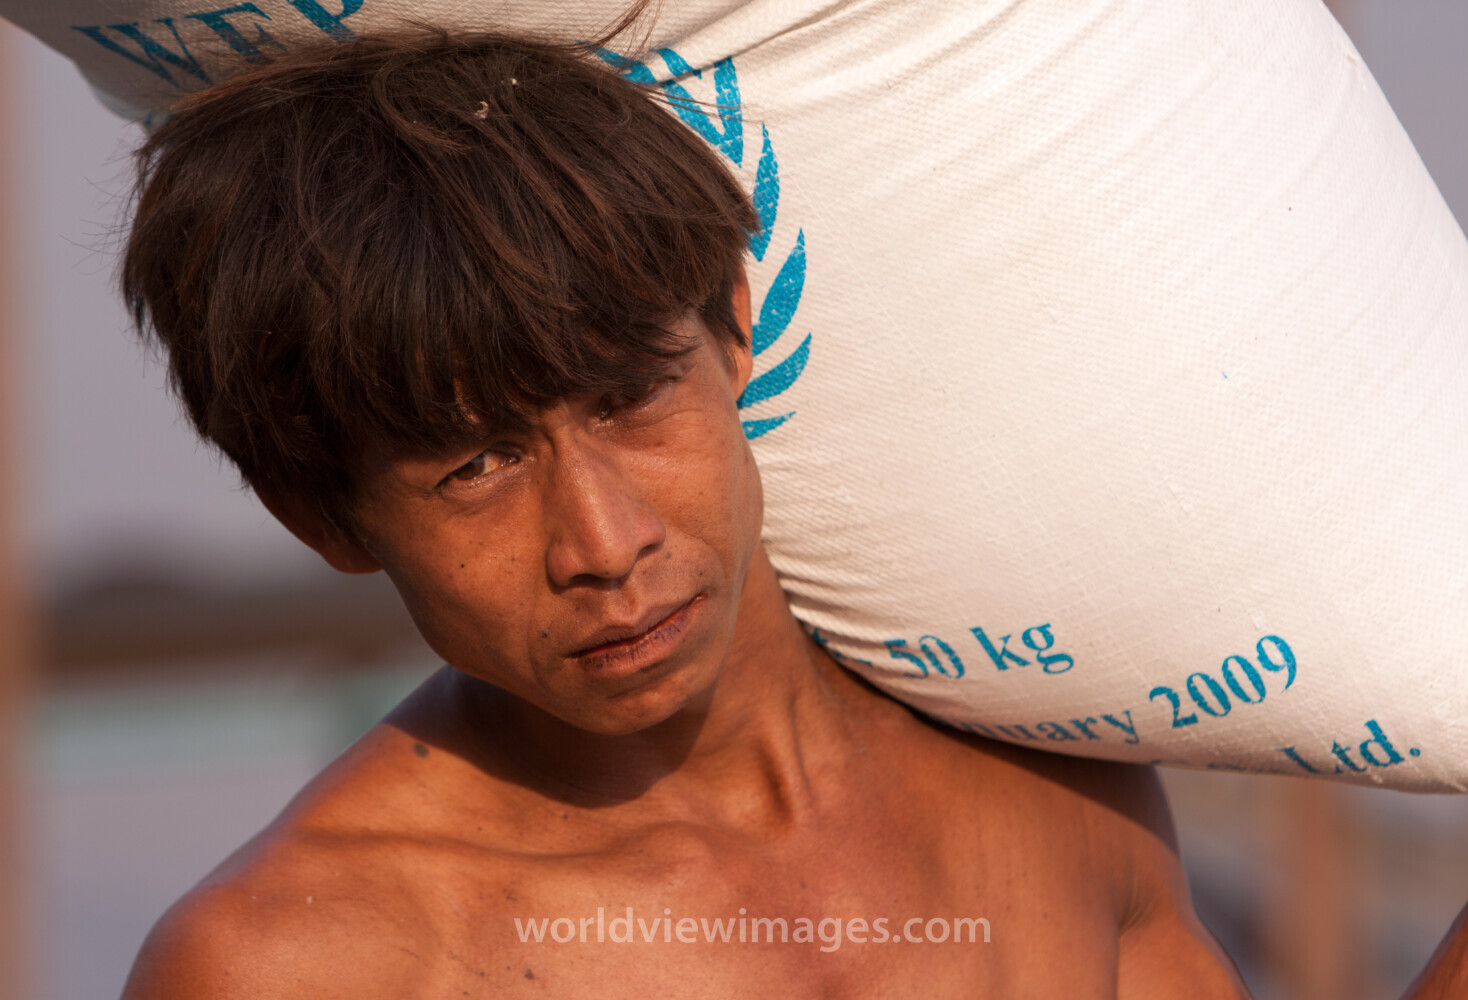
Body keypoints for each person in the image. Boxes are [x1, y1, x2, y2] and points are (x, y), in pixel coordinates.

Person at [116, 29, 1249, 998]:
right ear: (323, 519)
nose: (605, 546)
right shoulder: (305, 961)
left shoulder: (1050, 777)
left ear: (736, 331)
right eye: (478, 467)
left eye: (630, 399)